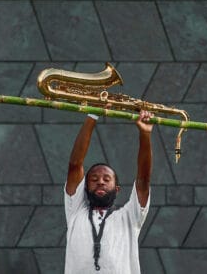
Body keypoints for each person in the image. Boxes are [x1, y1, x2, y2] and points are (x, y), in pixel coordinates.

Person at [64, 110, 154, 274]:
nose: (100, 182)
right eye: (94, 179)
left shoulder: (129, 217)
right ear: (84, 187)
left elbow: (143, 181)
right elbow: (75, 164)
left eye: (107, 179)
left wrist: (145, 134)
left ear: (117, 189)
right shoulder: (75, 210)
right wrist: (93, 114)